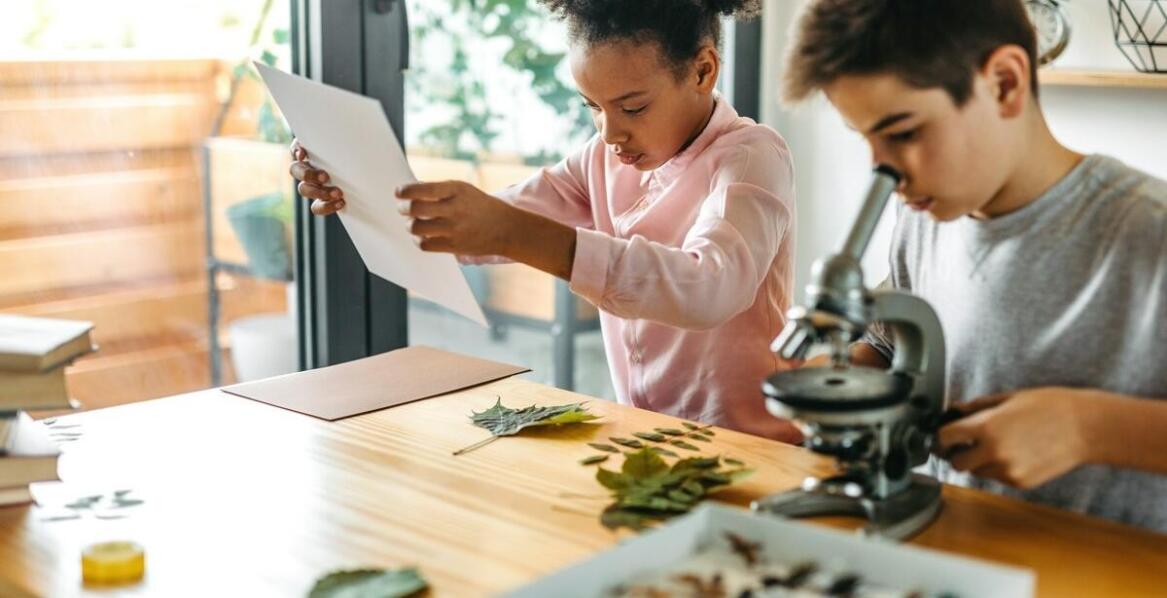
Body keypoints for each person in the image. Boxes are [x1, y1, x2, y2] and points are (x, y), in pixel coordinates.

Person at [290, 0, 801, 441]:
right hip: (651, 436)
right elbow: (489, 221)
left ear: (702, 71)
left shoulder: (752, 159)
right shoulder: (600, 161)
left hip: (751, 442)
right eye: (593, 108)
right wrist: (355, 189)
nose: (608, 133)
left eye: (632, 107)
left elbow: (709, 288)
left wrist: (519, 235)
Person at [784, 0, 1167, 531]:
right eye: (866, 139)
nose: (883, 171)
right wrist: (837, 376)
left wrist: (1088, 427)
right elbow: (886, 346)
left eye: (903, 133)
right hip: (960, 549)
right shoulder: (925, 216)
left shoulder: (1150, 231)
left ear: (1005, 84)